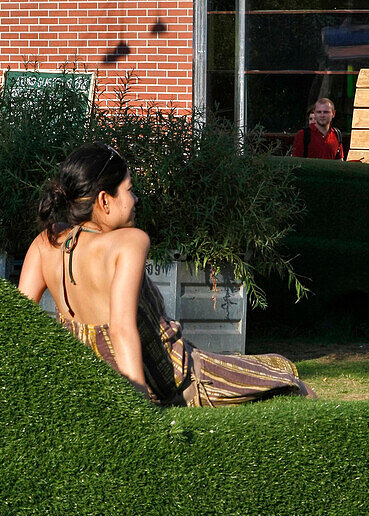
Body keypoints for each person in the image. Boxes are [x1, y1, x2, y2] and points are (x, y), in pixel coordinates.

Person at [18, 143, 315, 407]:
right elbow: (121, 328)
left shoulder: (45, 244)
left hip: (102, 387)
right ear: (104, 200)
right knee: (290, 379)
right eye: (129, 189)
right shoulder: (128, 241)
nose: (135, 199)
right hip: (181, 379)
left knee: (280, 364)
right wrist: (139, 406)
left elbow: (18, 321)